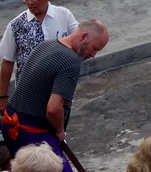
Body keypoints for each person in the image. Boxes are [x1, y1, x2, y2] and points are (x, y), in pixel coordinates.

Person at [0, 19, 109, 172]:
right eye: (94, 48)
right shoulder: (70, 61)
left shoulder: (46, 44)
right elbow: (53, 108)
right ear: (83, 36)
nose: (93, 54)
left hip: (10, 124)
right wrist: (60, 132)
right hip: (30, 131)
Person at [0, 0, 79, 113]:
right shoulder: (16, 25)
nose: (30, 3)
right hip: (28, 97)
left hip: (58, 92)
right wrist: (2, 97)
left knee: (58, 128)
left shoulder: (64, 15)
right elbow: (7, 62)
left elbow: (78, 40)